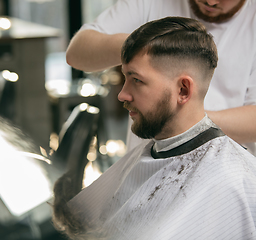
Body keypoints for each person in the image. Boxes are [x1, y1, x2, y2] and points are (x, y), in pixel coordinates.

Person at [52, 17, 256, 240]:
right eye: (125, 77)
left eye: (136, 80)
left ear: (183, 90)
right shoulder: (149, 155)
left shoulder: (234, 180)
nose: (122, 94)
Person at [66, 0, 256, 155]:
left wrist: (182, 120)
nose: (211, 1)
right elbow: (77, 53)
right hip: (145, 169)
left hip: (223, 170)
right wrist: (144, 45)